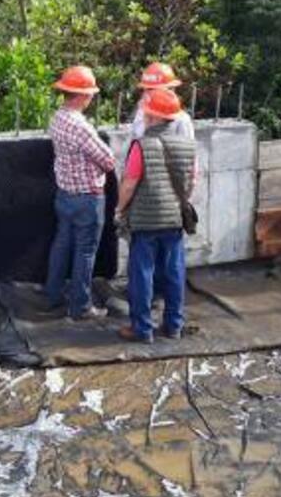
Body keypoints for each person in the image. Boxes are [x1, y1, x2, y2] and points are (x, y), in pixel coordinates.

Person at [115, 89, 197, 343]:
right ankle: (173, 326)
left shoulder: (142, 145)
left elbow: (129, 184)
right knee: (174, 271)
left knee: (142, 274)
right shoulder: (188, 144)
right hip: (174, 218)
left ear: (151, 115)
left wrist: (119, 208)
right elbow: (191, 182)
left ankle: (142, 329)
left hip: (145, 220)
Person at [45, 65, 117, 320]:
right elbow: (108, 160)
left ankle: (52, 296)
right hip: (87, 197)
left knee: (61, 244)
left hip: (64, 194)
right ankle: (81, 306)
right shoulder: (81, 127)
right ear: (82, 95)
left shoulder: (57, 118)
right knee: (85, 252)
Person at [129, 62, 195, 141]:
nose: (147, 95)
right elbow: (134, 143)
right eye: (148, 90)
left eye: (152, 90)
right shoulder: (141, 114)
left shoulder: (182, 120)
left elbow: (187, 150)